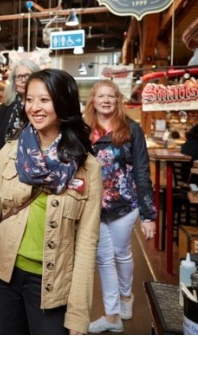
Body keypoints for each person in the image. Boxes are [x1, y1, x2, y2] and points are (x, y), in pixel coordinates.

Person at [0, 68, 102, 335]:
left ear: (63, 103)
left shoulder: (87, 167)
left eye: (44, 100)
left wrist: (78, 314)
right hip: (2, 274)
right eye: (29, 100)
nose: (34, 108)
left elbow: (86, 242)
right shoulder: (10, 153)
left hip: (52, 280)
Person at [83, 80, 157, 334]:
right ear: (93, 100)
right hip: (93, 206)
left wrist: (148, 215)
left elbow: (142, 172)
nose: (106, 100)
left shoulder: (132, 129)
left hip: (125, 206)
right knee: (104, 258)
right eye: (101, 96)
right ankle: (112, 316)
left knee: (121, 252)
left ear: (117, 100)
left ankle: (127, 298)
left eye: (111, 96)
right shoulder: (84, 130)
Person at [0, 58, 40, 180]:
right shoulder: (6, 107)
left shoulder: (44, 107)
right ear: (14, 82)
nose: (23, 80)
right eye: (19, 77)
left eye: (27, 75)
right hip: (4, 170)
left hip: (34, 171)